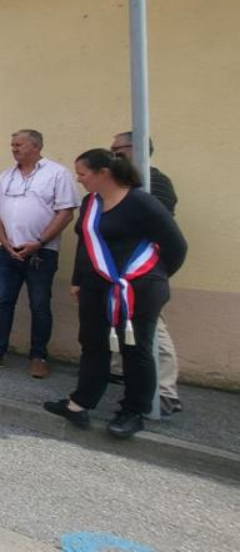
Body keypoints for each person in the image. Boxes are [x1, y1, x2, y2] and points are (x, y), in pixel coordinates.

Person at [43, 149, 187, 439]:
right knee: (93, 344)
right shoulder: (90, 203)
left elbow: (176, 246)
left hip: (139, 288)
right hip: (96, 285)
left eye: (83, 174)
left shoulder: (140, 202)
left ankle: (132, 412)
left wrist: (152, 276)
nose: (79, 179)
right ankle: (80, 403)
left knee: (136, 348)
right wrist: (78, 279)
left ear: (103, 174)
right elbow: (86, 243)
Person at [0, 129, 78, 378]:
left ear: (35, 147)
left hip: (42, 253)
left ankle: (38, 356)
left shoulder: (56, 174)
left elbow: (65, 212)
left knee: (40, 305)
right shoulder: (6, 176)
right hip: (8, 253)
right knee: (2, 303)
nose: (13, 148)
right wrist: (4, 242)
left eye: (18, 144)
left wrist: (39, 242)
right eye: (12, 144)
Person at [111, 132, 183, 414]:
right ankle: (119, 371)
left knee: (154, 327)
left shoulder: (157, 182)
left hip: (144, 268)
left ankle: (165, 392)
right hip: (116, 268)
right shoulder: (118, 183)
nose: (113, 153)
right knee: (118, 318)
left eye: (118, 149)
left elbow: (160, 230)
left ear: (136, 149)